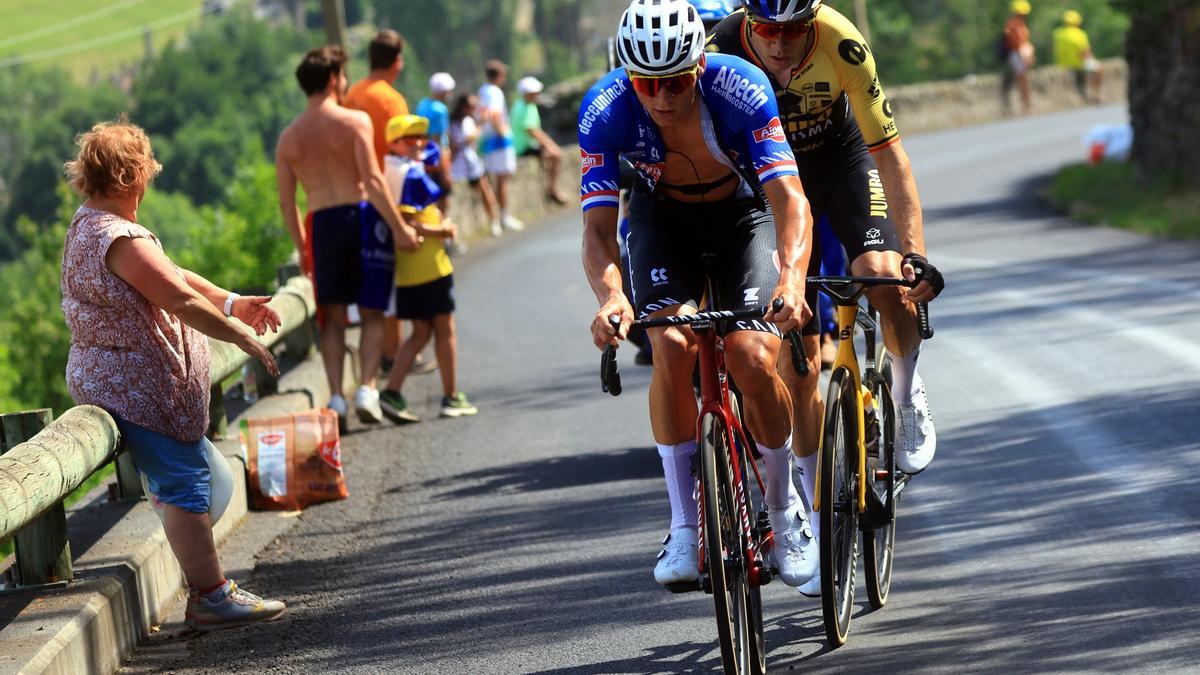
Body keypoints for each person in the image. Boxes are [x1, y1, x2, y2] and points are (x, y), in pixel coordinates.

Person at [709, 0, 946, 595]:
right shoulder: (719, 51)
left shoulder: (842, 41)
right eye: (768, 31)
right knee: (799, 364)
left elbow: (890, 156)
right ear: (748, 24)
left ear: (813, 25)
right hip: (767, 185)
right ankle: (808, 512)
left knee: (880, 274)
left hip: (840, 163)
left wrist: (913, 252)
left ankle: (905, 389)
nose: (782, 43)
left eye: (795, 32)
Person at [583, 0, 819, 590]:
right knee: (670, 344)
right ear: (627, 75)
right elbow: (596, 229)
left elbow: (789, 199)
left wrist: (791, 278)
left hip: (743, 216)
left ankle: (786, 511)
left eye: (676, 82)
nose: (662, 99)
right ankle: (684, 528)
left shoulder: (740, 87)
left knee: (750, 354)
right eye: (647, 85)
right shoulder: (605, 109)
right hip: (664, 221)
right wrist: (611, 296)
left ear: (701, 64)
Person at [61, 119, 286, 631]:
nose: (148, 181)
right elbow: (178, 298)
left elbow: (175, 274)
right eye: (144, 172)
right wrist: (239, 334)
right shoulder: (117, 238)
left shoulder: (97, 227)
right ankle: (210, 595)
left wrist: (232, 302)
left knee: (208, 481)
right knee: (187, 485)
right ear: (129, 177)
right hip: (136, 391)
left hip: (130, 386)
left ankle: (197, 559)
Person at [276, 46, 420, 426]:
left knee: (333, 320)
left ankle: (337, 397)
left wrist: (302, 247)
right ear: (331, 79)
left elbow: (288, 203)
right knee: (373, 312)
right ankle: (368, 389)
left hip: (321, 225)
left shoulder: (289, 139)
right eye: (341, 76)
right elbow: (372, 181)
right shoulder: (354, 121)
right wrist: (400, 228)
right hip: (359, 218)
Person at [379, 115, 478, 421]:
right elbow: (409, 222)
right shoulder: (406, 173)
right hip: (429, 264)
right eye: (411, 139)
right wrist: (444, 230)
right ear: (394, 143)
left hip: (411, 268)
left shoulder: (392, 168)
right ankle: (450, 396)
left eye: (421, 138)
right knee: (444, 329)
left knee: (420, 332)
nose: (419, 144)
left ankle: (392, 392)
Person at [478, 59, 525, 235]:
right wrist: (503, 132)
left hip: (487, 139)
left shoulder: (482, 90)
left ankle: (496, 219)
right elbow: (494, 114)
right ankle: (504, 216)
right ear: (499, 75)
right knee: (502, 179)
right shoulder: (495, 91)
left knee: (492, 180)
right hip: (499, 139)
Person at [448, 93, 501, 233]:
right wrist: (480, 125)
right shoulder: (455, 123)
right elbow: (462, 141)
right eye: (471, 106)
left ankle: (493, 221)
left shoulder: (468, 121)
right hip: (458, 166)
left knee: (485, 191)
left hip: (472, 164)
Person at [511, 76, 568, 206]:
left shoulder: (526, 105)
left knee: (551, 154)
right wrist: (550, 144)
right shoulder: (523, 107)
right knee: (555, 155)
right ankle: (552, 189)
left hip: (528, 144)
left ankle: (552, 188)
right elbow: (532, 131)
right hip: (523, 147)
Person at [1054, 10, 1102, 103]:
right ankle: (1095, 93)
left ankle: (1083, 94)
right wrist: (1091, 60)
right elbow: (1085, 52)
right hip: (1080, 63)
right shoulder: (1080, 34)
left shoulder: (1058, 34)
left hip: (1064, 64)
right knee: (1099, 69)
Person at [1003, 0, 1036, 115]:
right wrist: (1025, 56)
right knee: (1023, 81)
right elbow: (1017, 43)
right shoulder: (1013, 25)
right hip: (1017, 55)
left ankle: (1027, 105)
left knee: (1024, 81)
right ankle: (1025, 106)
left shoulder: (1019, 24)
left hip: (1020, 54)